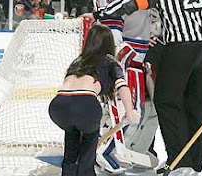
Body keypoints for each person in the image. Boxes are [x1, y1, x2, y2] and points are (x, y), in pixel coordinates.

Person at [89, 0, 202, 174]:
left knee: (167, 102)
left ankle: (180, 162)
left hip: (179, 49)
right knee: (198, 105)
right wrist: (200, 22)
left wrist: (101, 13)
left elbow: (131, 2)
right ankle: (195, 162)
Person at [96, 0, 159, 173]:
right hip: (124, 56)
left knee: (137, 108)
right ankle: (104, 150)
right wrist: (117, 59)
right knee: (125, 106)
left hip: (135, 56)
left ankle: (115, 148)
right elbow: (113, 23)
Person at [48, 24, 140, 176]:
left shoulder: (78, 61)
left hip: (58, 106)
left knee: (72, 142)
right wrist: (130, 111)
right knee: (88, 149)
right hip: (85, 105)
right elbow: (122, 86)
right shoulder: (110, 60)